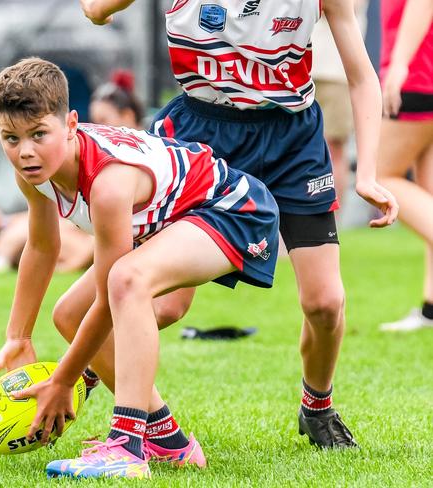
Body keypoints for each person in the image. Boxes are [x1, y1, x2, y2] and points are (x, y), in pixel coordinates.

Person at [80, 0, 398, 449]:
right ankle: (100, 370)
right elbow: (95, 9)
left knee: (326, 303)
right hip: (200, 135)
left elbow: (363, 77)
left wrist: (367, 173)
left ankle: (317, 406)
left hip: (292, 139)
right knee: (167, 305)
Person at [0, 57, 279, 478]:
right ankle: (169, 441)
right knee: (68, 314)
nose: (25, 151)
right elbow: (41, 245)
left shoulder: (108, 184)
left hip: (232, 208)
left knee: (127, 281)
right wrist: (18, 335)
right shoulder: (32, 173)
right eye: (10, 138)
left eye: (38, 134)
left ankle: (126, 445)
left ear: (71, 124)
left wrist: (64, 379)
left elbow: (109, 294)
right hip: (174, 217)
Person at [377, 0, 433, 331]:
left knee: (382, 176)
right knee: (427, 191)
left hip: (416, 76)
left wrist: (399, 64)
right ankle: (431, 310)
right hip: (422, 73)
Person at [311, 0, 368, 209]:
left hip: (337, 70)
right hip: (294, 68)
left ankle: (331, 223)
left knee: (332, 149)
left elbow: (348, 6)